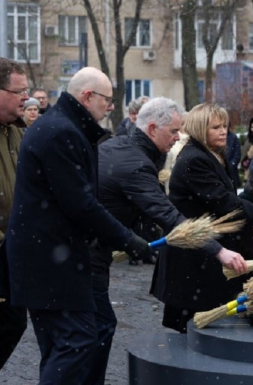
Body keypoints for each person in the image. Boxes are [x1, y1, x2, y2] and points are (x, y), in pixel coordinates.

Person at [4, 67, 153, 383]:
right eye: (107, 100)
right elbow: (81, 204)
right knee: (78, 339)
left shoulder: (57, 126)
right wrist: (128, 239)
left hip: (42, 257)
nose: (110, 107)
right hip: (52, 261)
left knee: (60, 344)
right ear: (87, 96)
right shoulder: (62, 132)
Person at [152, 103, 253, 333]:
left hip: (202, 251)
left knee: (200, 324)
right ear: (200, 129)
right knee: (192, 325)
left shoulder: (213, 154)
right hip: (193, 254)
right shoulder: (195, 160)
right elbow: (223, 201)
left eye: (225, 126)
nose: (223, 131)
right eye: (215, 127)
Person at [88, 97, 189, 384]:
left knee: (91, 328)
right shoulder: (133, 162)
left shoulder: (120, 147)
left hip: (91, 251)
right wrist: (216, 247)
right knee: (97, 326)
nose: (179, 137)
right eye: (173, 131)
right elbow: (164, 213)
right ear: (153, 128)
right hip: (87, 253)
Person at [0, 58, 29, 371]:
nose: (26, 98)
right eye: (18, 91)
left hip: (13, 250)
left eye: (27, 91)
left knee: (14, 322)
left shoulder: (18, 135)